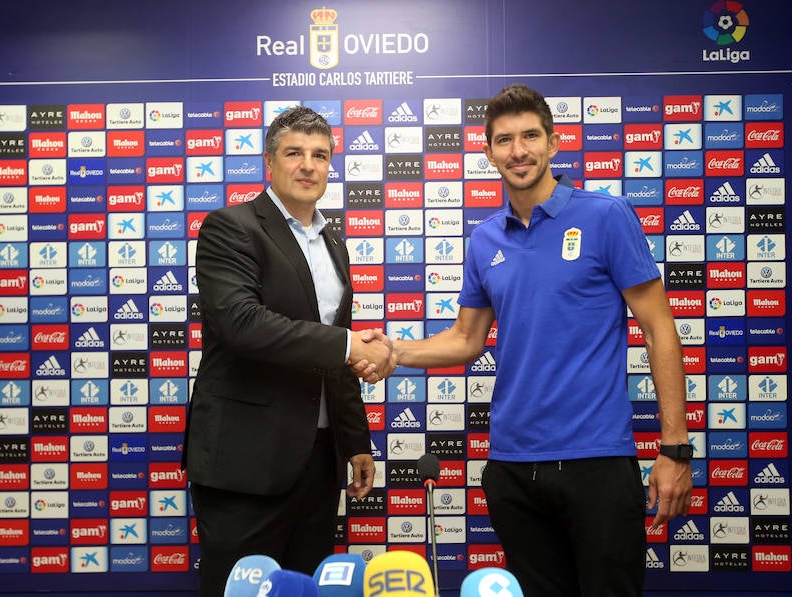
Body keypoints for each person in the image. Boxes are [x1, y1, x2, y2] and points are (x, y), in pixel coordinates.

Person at [355, 84, 692, 596]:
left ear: (553, 143)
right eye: (505, 140)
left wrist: (675, 449)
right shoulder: (484, 238)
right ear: (487, 151)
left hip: (596, 461)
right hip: (513, 468)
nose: (519, 151)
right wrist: (394, 351)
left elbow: (658, 328)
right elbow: (467, 339)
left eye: (530, 136)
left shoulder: (606, 216)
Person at [183, 106, 393, 597]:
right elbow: (241, 324)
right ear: (269, 162)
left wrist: (355, 440)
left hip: (317, 464)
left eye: (320, 155)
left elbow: (332, 350)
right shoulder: (231, 227)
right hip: (245, 463)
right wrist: (347, 345)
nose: (308, 165)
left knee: (306, 590)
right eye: (294, 153)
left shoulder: (332, 244)